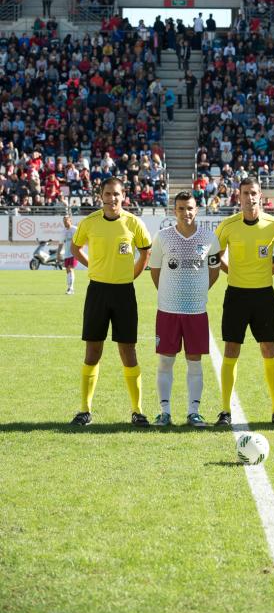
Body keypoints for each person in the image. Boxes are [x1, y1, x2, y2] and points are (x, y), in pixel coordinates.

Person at [70, 177, 152, 426]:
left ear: (123, 195)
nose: (112, 198)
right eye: (107, 194)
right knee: (93, 350)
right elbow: (75, 249)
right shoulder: (89, 222)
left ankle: (137, 411)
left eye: (116, 194)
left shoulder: (133, 223)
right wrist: (92, 266)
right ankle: (85, 410)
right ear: (101, 196)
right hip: (97, 292)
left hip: (124, 293)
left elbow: (145, 251)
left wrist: (133, 274)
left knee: (128, 350)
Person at [214, 177, 274, 426]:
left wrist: (270, 271)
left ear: (260, 195)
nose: (250, 197)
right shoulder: (228, 225)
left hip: (264, 295)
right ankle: (225, 411)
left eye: (254, 192)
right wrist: (232, 272)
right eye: (245, 193)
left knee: (269, 350)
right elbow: (215, 255)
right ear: (239, 196)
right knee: (231, 350)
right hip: (236, 294)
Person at [150, 191, 220, 427]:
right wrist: (169, 294)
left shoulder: (210, 237)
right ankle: (165, 412)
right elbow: (156, 272)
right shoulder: (162, 237)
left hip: (196, 311)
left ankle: (193, 412)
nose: (185, 213)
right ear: (174, 211)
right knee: (165, 362)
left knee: (195, 362)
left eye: (189, 208)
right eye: (181, 208)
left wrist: (198, 291)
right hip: (168, 310)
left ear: (196, 209)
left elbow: (214, 272)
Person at [61, 214, 78, 295]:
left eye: (66, 220)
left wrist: (78, 250)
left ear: (70, 221)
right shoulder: (63, 231)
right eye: (63, 221)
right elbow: (61, 243)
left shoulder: (75, 229)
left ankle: (70, 288)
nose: (64, 222)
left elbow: (80, 239)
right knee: (67, 270)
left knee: (70, 269)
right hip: (66, 253)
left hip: (73, 253)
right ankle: (69, 287)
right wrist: (58, 253)